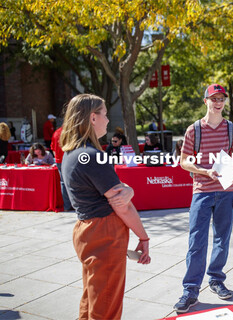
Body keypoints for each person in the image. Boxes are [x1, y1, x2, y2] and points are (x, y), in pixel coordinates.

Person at [60, 93, 151, 320]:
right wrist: (144, 237)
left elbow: (114, 188)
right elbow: (123, 206)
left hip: (88, 229)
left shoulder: (73, 154)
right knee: (106, 305)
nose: (108, 120)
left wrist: (126, 188)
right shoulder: (90, 155)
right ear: (92, 118)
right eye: (105, 114)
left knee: (92, 297)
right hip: (104, 232)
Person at [174, 84, 233, 313]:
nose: (218, 102)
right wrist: (205, 171)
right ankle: (191, 290)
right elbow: (184, 161)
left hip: (226, 192)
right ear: (205, 101)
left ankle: (216, 279)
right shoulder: (194, 130)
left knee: (222, 239)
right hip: (202, 191)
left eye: (221, 98)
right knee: (197, 242)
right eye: (213, 98)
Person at [51, 126, 73, 211]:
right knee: (73, 181)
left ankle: (67, 205)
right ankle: (72, 204)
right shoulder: (70, 132)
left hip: (59, 160)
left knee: (63, 182)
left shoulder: (56, 132)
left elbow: (52, 148)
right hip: (69, 159)